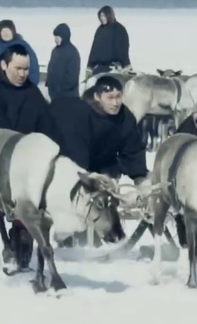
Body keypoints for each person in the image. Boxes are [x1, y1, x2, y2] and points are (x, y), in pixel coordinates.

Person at [49, 75, 148, 246]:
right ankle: (76, 232)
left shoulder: (125, 117)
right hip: (78, 161)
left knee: (108, 197)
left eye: (118, 97)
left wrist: (139, 176)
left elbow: (133, 147)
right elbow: (75, 148)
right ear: (97, 97)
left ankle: (111, 230)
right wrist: (87, 176)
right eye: (110, 98)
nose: (115, 102)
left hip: (105, 164)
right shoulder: (81, 113)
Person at [0, 44, 58, 272]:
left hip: (25, 167)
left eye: (26, 69)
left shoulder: (33, 94)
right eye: (18, 68)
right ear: (4, 65)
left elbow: (48, 129)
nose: (23, 74)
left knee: (27, 214)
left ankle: (21, 252)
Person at [86, 5, 132, 77]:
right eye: (101, 16)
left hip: (115, 66)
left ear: (109, 15)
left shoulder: (119, 29)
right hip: (100, 67)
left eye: (104, 16)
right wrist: (89, 66)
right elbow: (94, 49)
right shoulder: (100, 30)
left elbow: (124, 49)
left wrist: (125, 65)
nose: (102, 18)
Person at [46, 23, 81, 101]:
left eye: (58, 37)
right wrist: (49, 84)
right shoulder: (55, 51)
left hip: (68, 95)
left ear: (64, 36)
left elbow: (72, 77)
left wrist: (61, 89)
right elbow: (51, 68)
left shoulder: (72, 52)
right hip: (54, 95)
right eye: (55, 37)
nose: (56, 39)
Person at [0, 20, 40, 85]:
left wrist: (33, 82)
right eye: (3, 32)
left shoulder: (22, 45)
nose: (6, 34)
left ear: (13, 32)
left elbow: (33, 63)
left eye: (8, 31)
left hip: (18, 82)